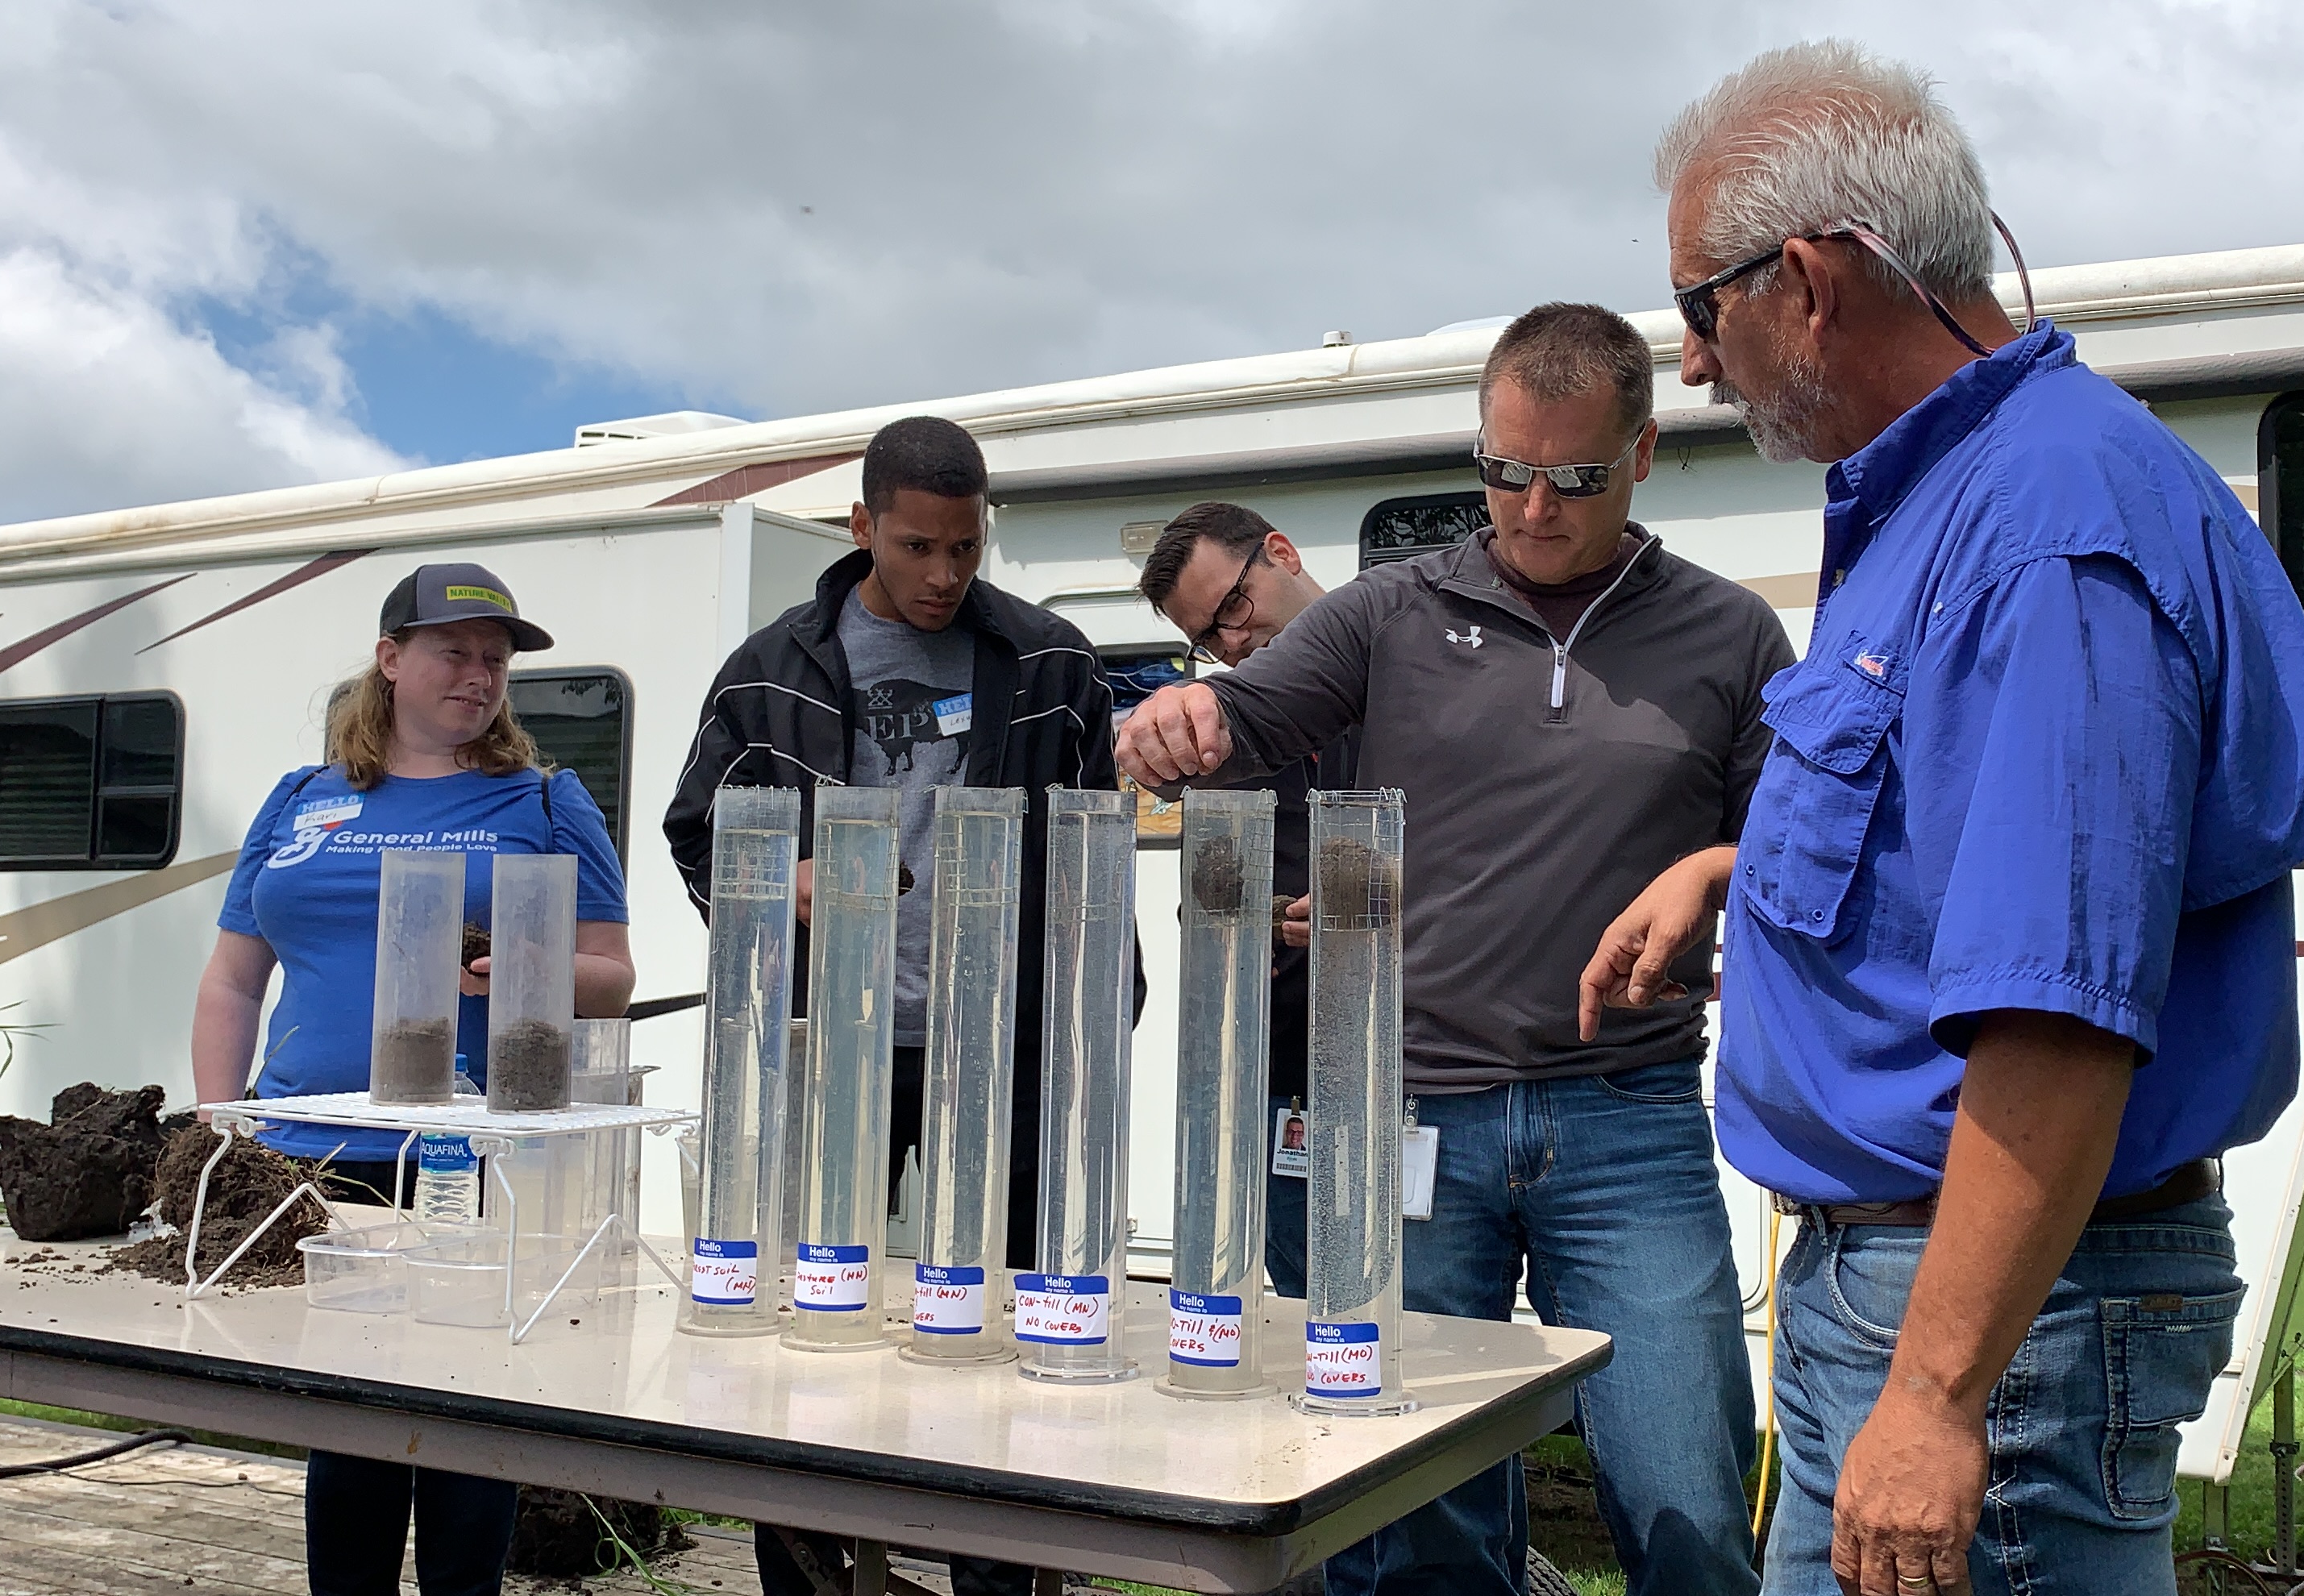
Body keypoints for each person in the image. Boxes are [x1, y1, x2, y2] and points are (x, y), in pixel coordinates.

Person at [1585, 43, 2304, 1596]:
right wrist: (1735, 866)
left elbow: (2061, 1012)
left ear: (1808, 278)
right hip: (1926, 1293)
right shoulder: (1973, 494)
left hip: (1994, 1322)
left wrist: (1934, 1402)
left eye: (1697, 309)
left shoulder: (2046, 529)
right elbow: (1978, 851)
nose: (1695, 367)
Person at [1117, 305, 1792, 1596]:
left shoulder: (1729, 636)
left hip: (1627, 1123)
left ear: (1642, 454)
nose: (1532, 508)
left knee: (1689, 1500)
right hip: (1409, 1120)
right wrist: (1190, 710)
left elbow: (1798, 852)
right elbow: (1250, 713)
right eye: (1503, 471)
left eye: (1573, 478)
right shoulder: (1386, 614)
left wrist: (1716, 873)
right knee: (1418, 1515)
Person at [660, 414, 1126, 1596]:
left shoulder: (1054, 663)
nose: (943, 576)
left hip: (1003, 1053)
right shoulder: (769, 669)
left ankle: (1005, 1581)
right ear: (861, 524)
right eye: (917, 547)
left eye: (965, 549)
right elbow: (698, 834)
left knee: (1016, 1342)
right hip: (833, 1052)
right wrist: (781, 884)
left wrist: (1095, 1021)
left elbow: (1097, 856)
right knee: (809, 1340)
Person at [191, 563, 635, 1596]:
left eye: (496, 661)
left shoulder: (545, 800)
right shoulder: (300, 800)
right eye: (454, 653)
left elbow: (611, 979)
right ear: (390, 661)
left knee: (464, 1421)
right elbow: (230, 983)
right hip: (307, 1161)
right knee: (345, 1426)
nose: (479, 676)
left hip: (467, 1162)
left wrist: (519, 967)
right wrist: (220, 1130)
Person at [1132, 499, 1355, 1300]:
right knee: (1313, 1324)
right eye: (1206, 637)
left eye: (1233, 606)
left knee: (1443, 1327)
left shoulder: (1411, 669)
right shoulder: (1221, 736)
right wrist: (1253, 926)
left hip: (1434, 1075)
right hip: (1286, 1081)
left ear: (1282, 553)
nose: (1231, 643)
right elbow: (1205, 912)